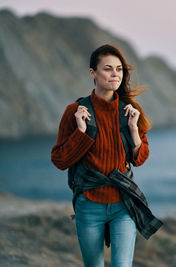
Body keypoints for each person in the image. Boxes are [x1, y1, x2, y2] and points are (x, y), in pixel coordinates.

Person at [51, 44, 160, 267]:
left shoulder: (130, 110)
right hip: (88, 204)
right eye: (108, 69)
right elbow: (60, 160)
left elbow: (140, 159)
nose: (115, 74)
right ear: (93, 73)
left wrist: (132, 129)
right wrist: (81, 131)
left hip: (123, 204)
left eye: (119, 69)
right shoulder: (75, 111)